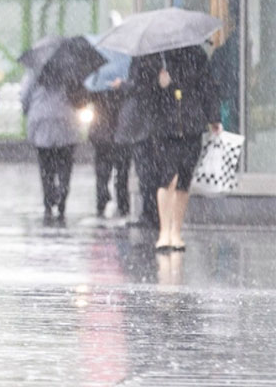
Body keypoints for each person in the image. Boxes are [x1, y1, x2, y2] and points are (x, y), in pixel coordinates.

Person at [151, 45, 221, 252]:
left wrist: (213, 117)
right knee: (167, 177)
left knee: (183, 180)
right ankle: (164, 232)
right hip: (165, 128)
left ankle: (176, 232)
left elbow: (207, 86)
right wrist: (159, 83)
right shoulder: (157, 56)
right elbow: (142, 91)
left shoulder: (196, 54)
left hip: (192, 125)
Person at [21, 71, 83, 225]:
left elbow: (24, 98)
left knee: (45, 167)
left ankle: (48, 201)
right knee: (65, 165)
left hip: (42, 121)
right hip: (66, 121)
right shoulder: (71, 73)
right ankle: (62, 194)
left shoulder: (34, 73)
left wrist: (28, 110)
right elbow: (80, 99)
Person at [115, 54, 162, 227]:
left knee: (146, 170)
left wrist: (123, 85)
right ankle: (151, 212)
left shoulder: (145, 59)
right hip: (148, 122)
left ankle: (150, 213)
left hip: (143, 123)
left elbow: (142, 87)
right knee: (147, 169)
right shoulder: (155, 58)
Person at [88, 82, 131, 218]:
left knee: (104, 170)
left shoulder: (99, 80)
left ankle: (103, 199)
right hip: (119, 132)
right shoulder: (124, 80)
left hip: (104, 133)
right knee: (121, 171)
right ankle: (121, 204)